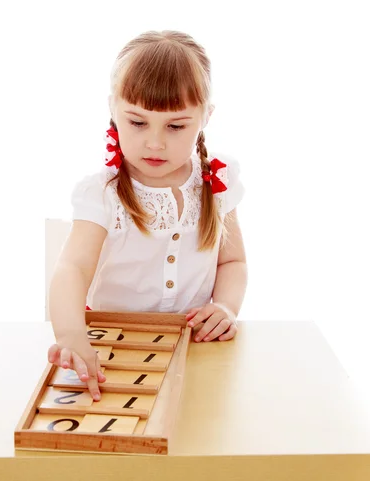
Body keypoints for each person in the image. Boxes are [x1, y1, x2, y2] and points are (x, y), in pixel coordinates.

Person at [47, 30, 248, 401]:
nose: (155, 143)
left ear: (206, 117)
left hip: (194, 349)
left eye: (175, 126)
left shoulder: (218, 182)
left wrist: (225, 307)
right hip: (111, 351)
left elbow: (232, 261)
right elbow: (72, 268)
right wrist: (71, 334)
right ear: (113, 110)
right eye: (138, 122)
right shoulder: (102, 193)